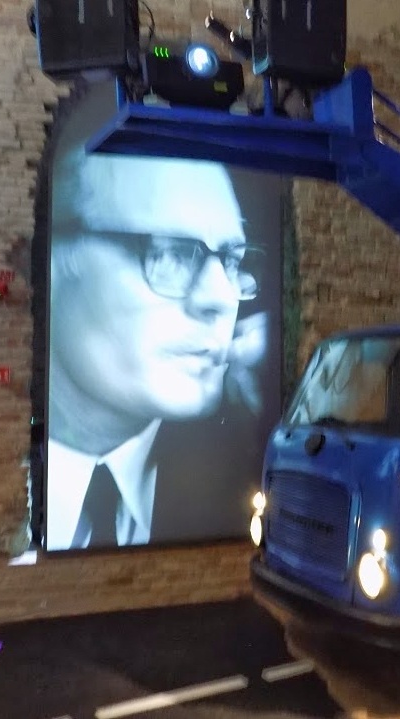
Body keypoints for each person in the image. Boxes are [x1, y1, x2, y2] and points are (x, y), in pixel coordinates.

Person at [43, 82, 280, 551]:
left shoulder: (239, 475)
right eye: (169, 253)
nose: (221, 298)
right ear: (54, 260)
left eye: (232, 261)